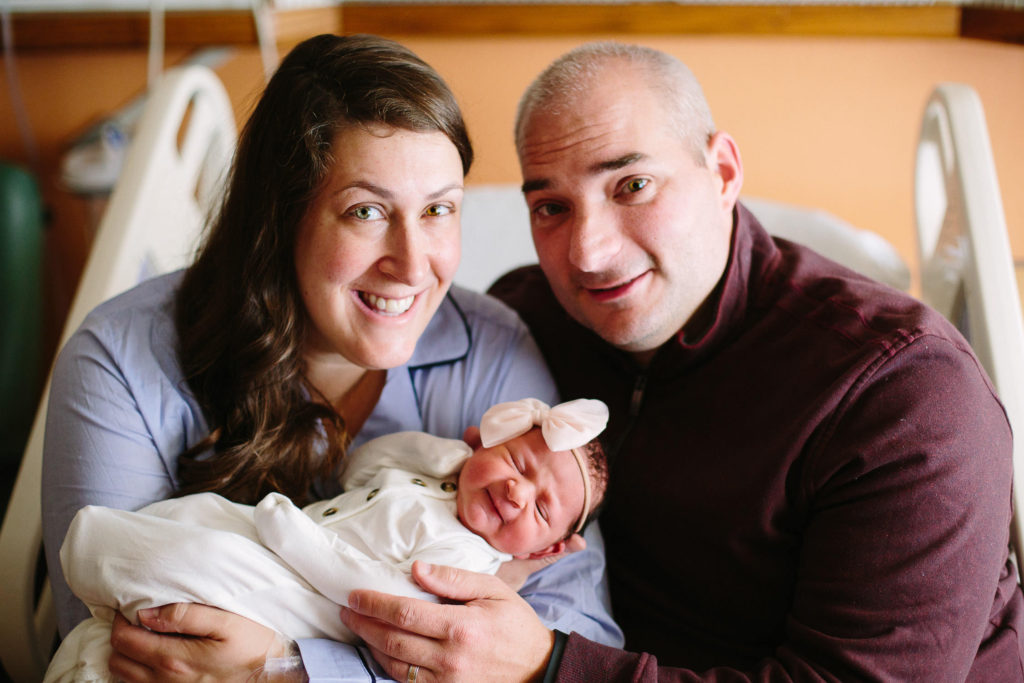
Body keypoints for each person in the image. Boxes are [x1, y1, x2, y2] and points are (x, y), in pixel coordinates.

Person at [338, 41, 1024, 681]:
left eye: (632, 185)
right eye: (551, 206)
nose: (589, 253)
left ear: (723, 171)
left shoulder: (901, 395)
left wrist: (549, 666)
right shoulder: (530, 319)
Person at [41, 34, 622, 682]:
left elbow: (571, 642)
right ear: (281, 217)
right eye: (366, 210)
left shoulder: (492, 357)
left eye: (438, 209)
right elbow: (118, 639)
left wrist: (288, 667)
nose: (410, 263)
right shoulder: (118, 363)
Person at [46, 397, 610, 683]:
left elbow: (383, 595)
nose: (516, 491)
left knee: (202, 557)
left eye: (540, 508)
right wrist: (454, 458)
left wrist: (295, 541)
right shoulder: (439, 478)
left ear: (542, 552)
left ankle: (102, 558)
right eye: (514, 461)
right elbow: (364, 466)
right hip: (278, 538)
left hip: (305, 598)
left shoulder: (467, 559)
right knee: (199, 519)